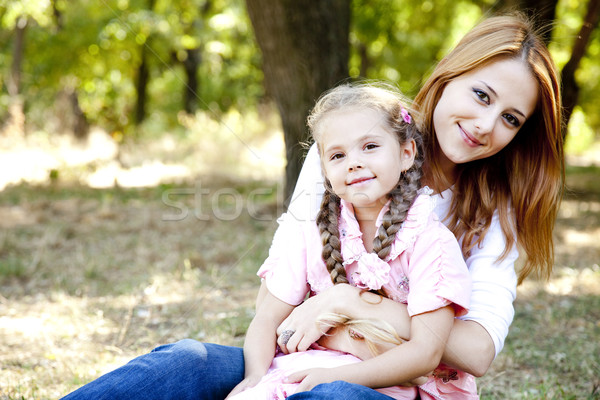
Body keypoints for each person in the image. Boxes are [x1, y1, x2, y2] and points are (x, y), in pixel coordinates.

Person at [60, 13, 563, 400]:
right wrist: (261, 378)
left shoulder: (493, 212)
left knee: (334, 395)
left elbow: (474, 351)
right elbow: (279, 309)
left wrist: (350, 302)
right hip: (299, 364)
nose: (485, 123)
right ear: (450, 75)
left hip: (389, 385)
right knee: (183, 362)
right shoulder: (353, 144)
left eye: (511, 118)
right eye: (481, 94)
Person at [226, 82, 475, 400]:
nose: (354, 162)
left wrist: (332, 378)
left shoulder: (430, 243)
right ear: (325, 170)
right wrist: (257, 376)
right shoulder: (313, 235)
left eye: (370, 146)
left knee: (333, 396)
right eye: (338, 155)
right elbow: (267, 319)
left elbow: (425, 355)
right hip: (311, 371)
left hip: (397, 389)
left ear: (406, 153)